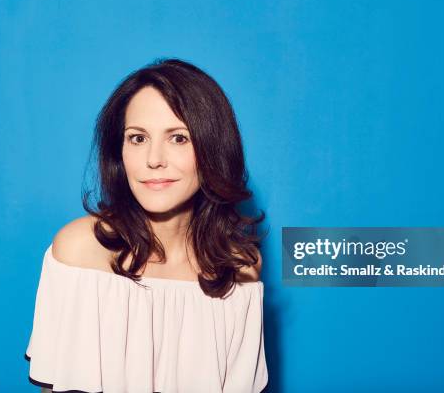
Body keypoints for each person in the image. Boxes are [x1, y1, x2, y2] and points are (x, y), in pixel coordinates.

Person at [24, 58, 269, 393]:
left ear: (213, 149)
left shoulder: (240, 267)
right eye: (137, 138)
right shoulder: (79, 252)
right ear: (119, 151)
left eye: (178, 138)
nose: (154, 159)